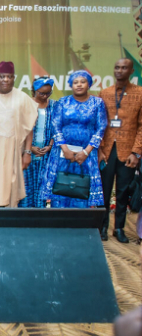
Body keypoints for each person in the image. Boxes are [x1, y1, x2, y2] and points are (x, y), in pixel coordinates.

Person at [39, 70, 107, 208]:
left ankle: (81, 225)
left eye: (83, 82)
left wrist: (86, 152)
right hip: (63, 153)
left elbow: (101, 128)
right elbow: (55, 126)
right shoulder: (63, 102)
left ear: (89, 84)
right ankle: (59, 223)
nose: (79, 85)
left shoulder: (97, 103)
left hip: (87, 154)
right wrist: (65, 149)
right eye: (75, 82)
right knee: (60, 187)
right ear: (71, 85)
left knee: (82, 188)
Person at [0, 61, 38, 207]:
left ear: (14, 78)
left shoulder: (22, 98)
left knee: (11, 189)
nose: (5, 80)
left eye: (9, 76)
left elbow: (29, 127)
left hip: (13, 152)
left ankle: (9, 221)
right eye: (2, 76)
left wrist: (27, 152)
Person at [100, 59, 142, 243]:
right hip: (107, 150)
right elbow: (99, 124)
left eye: (124, 68)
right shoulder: (105, 93)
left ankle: (119, 228)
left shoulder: (140, 94)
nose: (120, 70)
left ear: (131, 71)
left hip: (128, 152)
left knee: (123, 192)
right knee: (104, 190)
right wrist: (100, 149)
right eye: (117, 67)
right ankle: (101, 227)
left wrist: (136, 152)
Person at [19, 77, 56, 208]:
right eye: (41, 93)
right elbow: (19, 129)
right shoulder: (26, 105)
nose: (45, 96)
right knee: (26, 188)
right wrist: (29, 148)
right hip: (27, 153)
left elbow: (58, 128)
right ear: (34, 91)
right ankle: (24, 222)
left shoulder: (54, 106)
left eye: (48, 93)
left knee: (43, 189)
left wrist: (50, 146)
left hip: (47, 155)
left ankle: (40, 221)